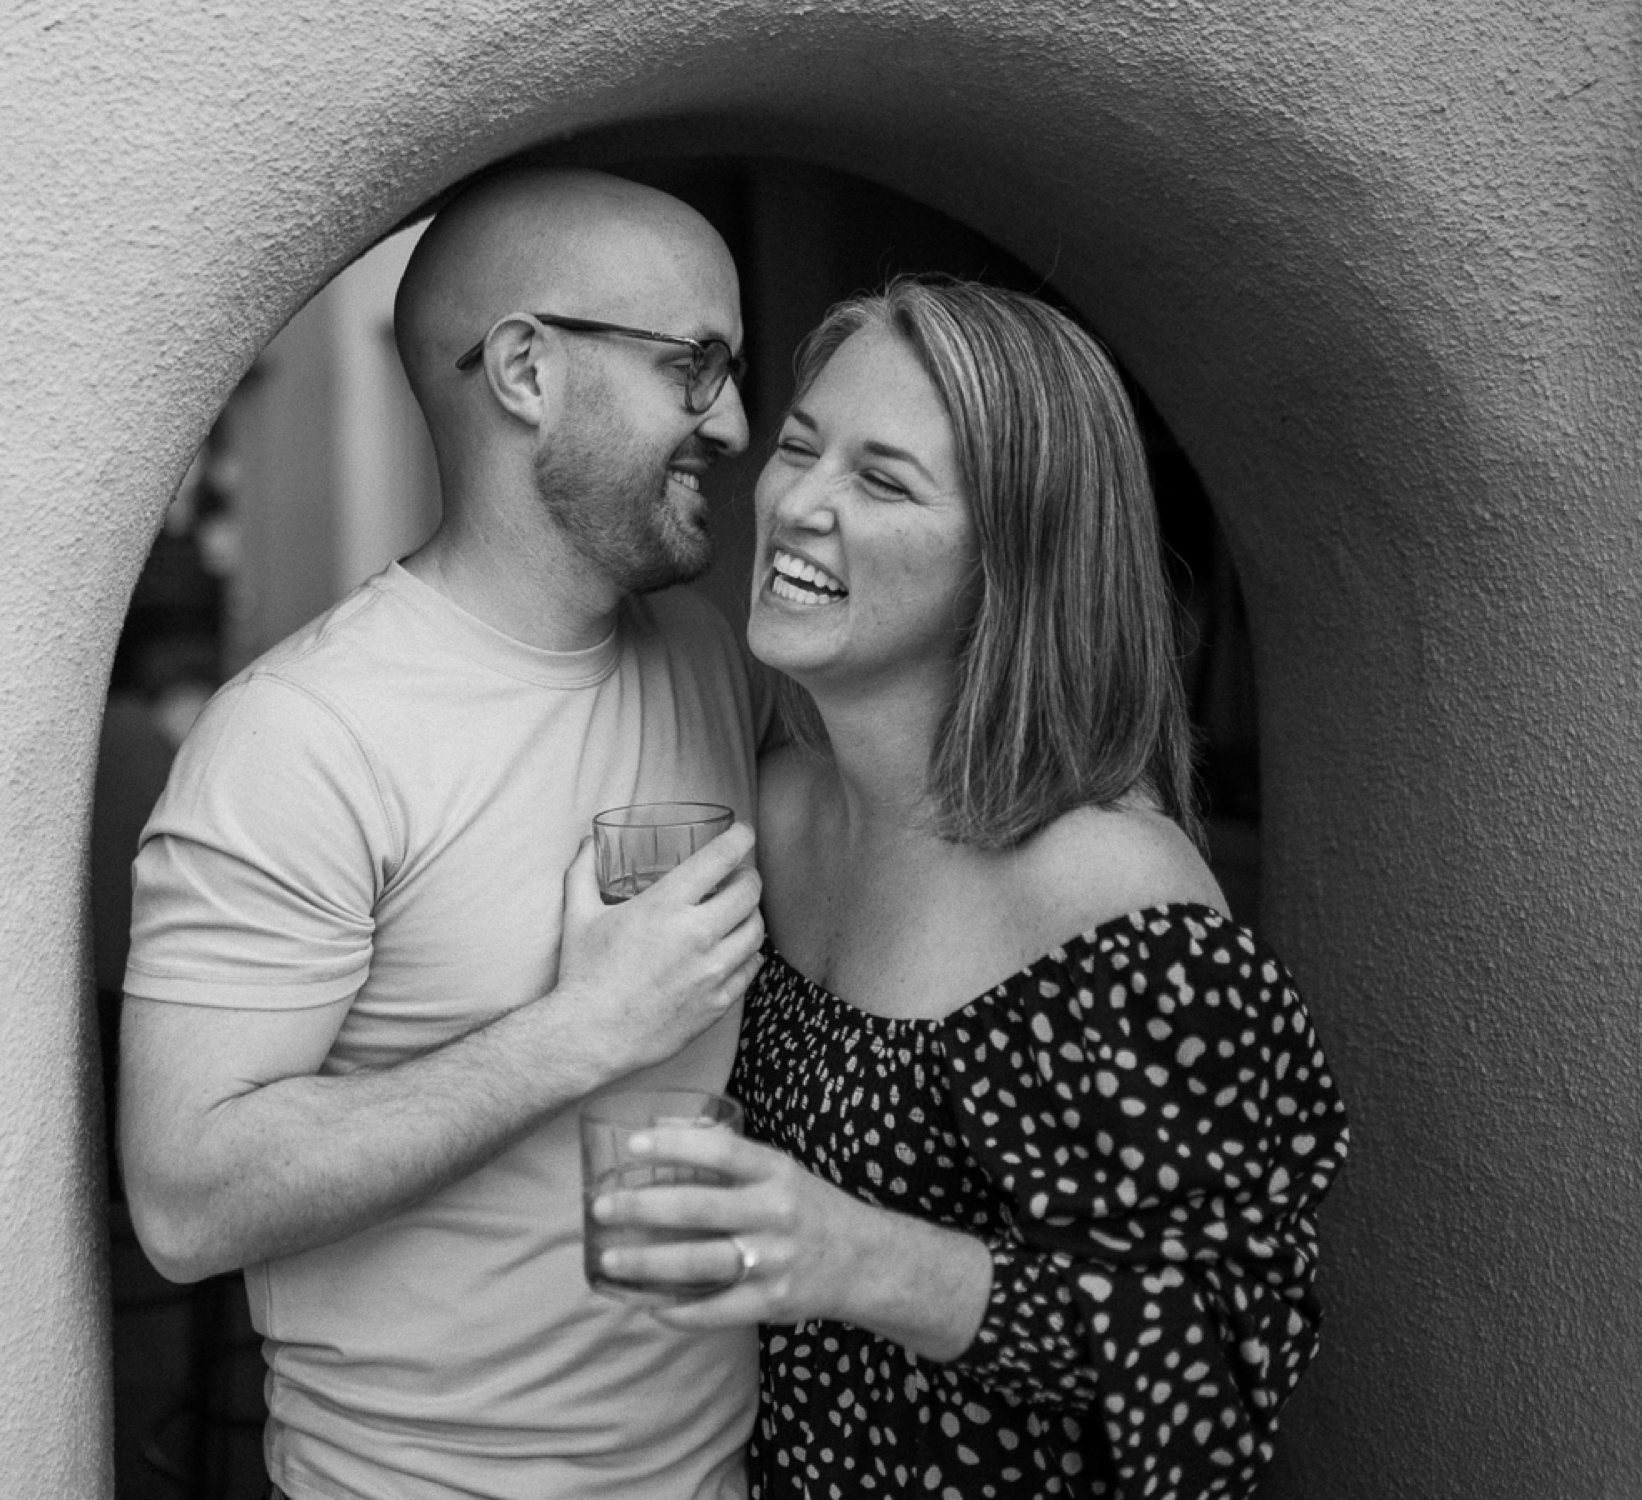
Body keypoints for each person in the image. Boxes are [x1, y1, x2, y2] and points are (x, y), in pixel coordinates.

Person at [594, 277, 1350, 1498]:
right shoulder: (775, 806)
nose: (797, 504)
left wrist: (859, 1257)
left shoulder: (1113, 895)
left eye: (881, 480)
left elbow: (1222, 1353)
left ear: (1015, 559)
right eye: (800, 446)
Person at [119, 166, 773, 1500]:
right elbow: (185, 1202)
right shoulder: (301, 737)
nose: (741, 422)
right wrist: (575, 1032)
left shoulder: (713, 657)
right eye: (698, 366)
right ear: (527, 368)